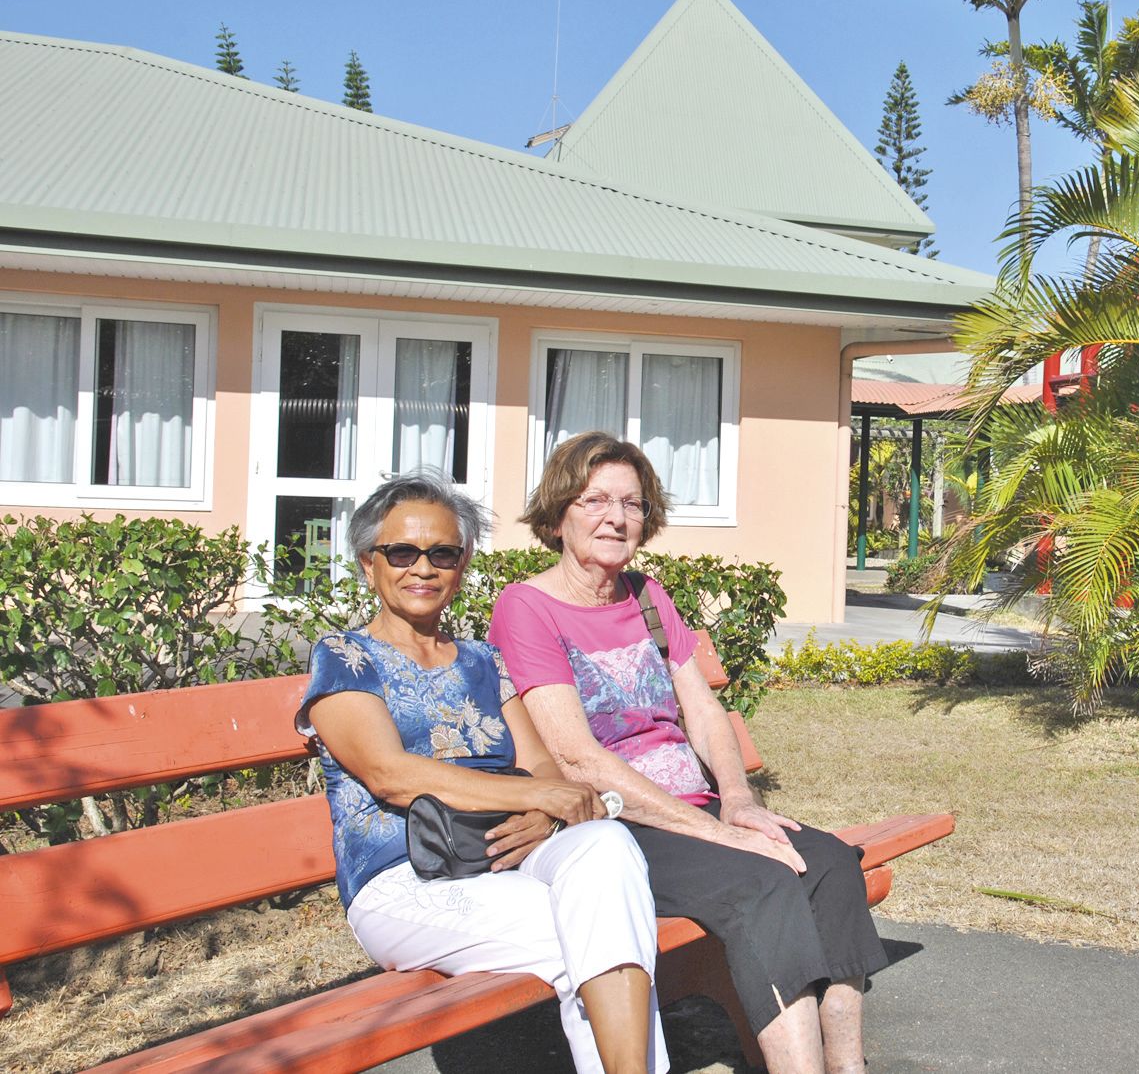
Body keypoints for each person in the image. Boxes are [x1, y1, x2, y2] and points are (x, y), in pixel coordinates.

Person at [489, 432, 887, 1074]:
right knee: (762, 883)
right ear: (559, 512)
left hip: (694, 810)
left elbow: (702, 708)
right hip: (613, 828)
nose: (616, 518)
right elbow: (576, 758)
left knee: (832, 865)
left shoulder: (647, 596)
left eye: (633, 504)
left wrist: (737, 802)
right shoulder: (527, 608)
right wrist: (717, 834)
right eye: (595, 500)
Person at [297, 470, 670, 1074]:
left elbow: (541, 764)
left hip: (502, 856)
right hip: (403, 883)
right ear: (370, 564)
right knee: (595, 938)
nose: (423, 567)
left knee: (605, 844)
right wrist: (543, 796)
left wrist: (543, 816)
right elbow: (390, 774)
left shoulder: (482, 659)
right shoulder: (344, 658)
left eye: (443, 552)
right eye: (402, 552)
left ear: (462, 564)